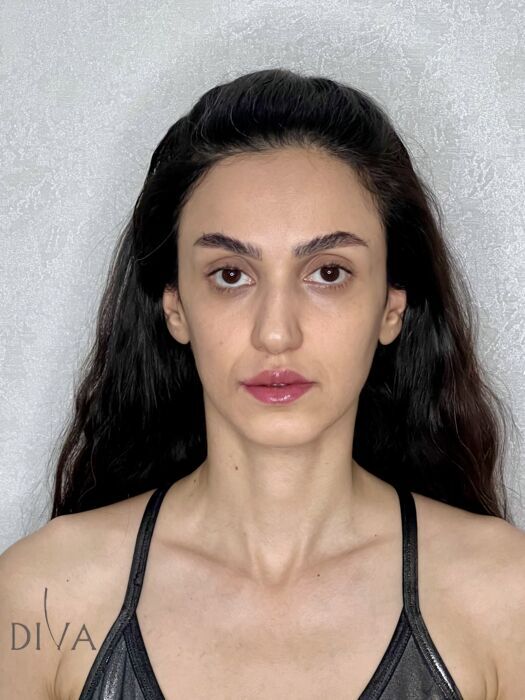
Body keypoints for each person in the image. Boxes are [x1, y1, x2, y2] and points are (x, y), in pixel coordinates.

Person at [0, 67, 524, 699]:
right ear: (175, 306)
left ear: (392, 307)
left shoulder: (504, 598)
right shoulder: (42, 598)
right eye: (230, 275)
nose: (276, 333)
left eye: (328, 273)